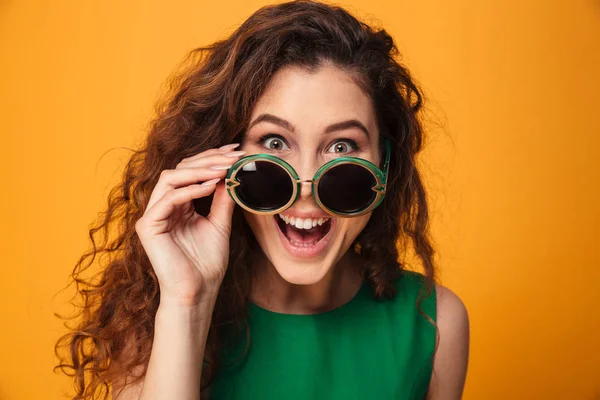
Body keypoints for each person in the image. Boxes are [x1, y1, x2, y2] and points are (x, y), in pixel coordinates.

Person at [55, 1, 469, 399]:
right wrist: (187, 305)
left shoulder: (434, 325)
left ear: (385, 162)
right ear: (226, 154)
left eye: (341, 147)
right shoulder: (152, 312)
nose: (306, 189)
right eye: (274, 142)